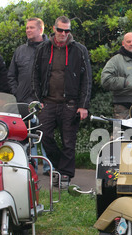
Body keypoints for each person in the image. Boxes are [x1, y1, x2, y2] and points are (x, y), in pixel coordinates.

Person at [32, 16, 92, 188]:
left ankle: (65, 175)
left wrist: (83, 105)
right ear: (54, 29)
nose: (63, 34)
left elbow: (86, 79)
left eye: (67, 31)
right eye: (60, 30)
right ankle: (60, 167)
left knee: (68, 141)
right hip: (47, 102)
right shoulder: (43, 48)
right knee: (45, 137)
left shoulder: (79, 50)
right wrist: (38, 100)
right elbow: (34, 76)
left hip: (70, 103)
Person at [8, 17, 50, 175]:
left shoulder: (51, 49)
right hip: (23, 101)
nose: (28, 30)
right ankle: (28, 166)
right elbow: (11, 75)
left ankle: (48, 168)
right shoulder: (20, 50)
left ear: (41, 30)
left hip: (45, 101)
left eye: (31, 27)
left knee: (45, 135)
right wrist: (16, 92)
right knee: (25, 136)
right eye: (27, 28)